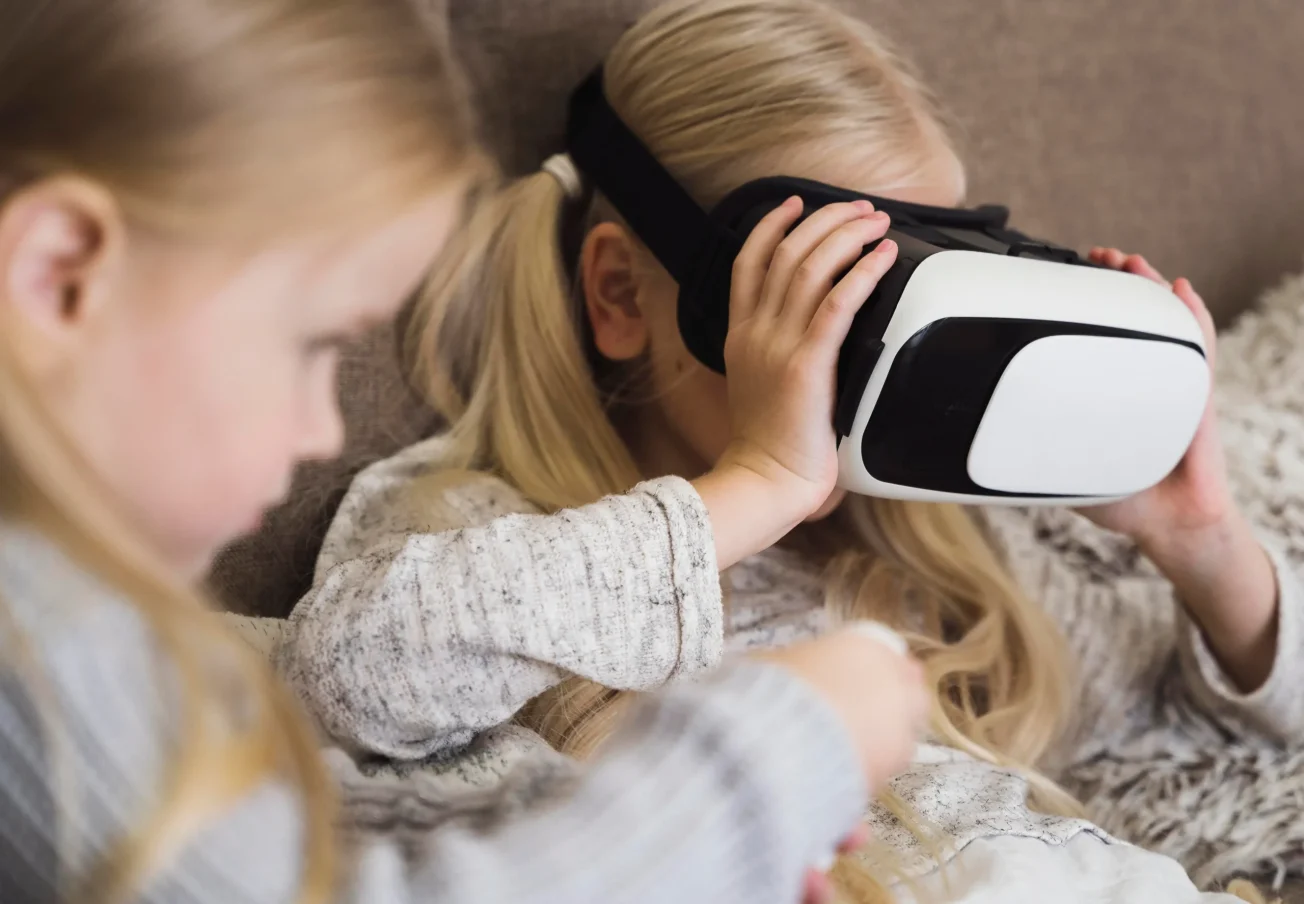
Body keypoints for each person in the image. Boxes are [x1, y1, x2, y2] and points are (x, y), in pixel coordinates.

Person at [277, 0, 1304, 901]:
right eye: (838, 290)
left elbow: (1244, 720)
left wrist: (1198, 539)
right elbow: (347, 673)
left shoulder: (926, 553)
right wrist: (752, 488)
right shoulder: (487, 526)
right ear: (624, 294)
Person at [0, 2, 935, 902]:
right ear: (59, 278)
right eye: (310, 345)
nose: (322, 431)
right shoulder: (31, 647)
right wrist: (765, 765)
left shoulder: (89, 623)